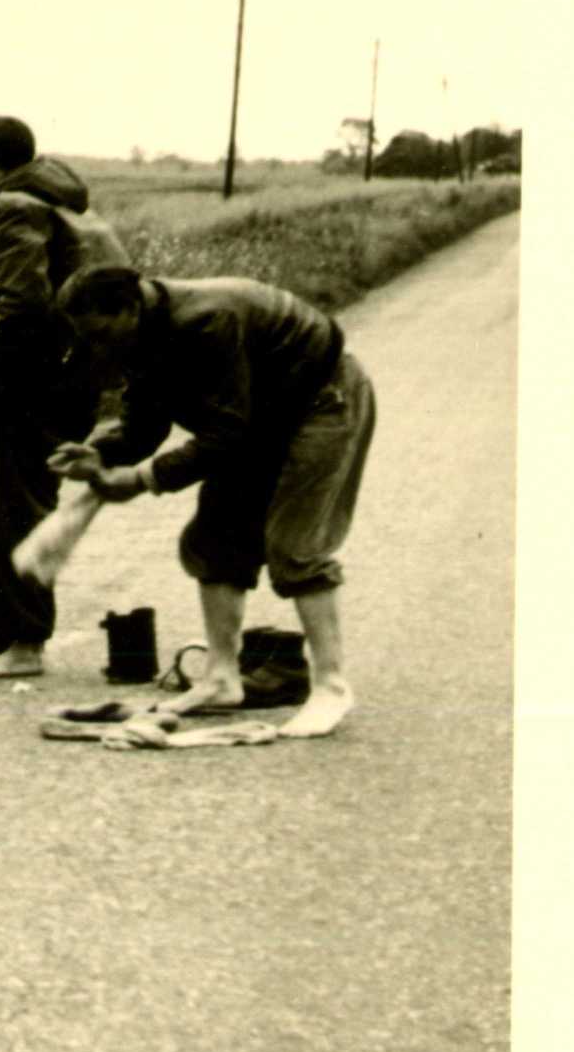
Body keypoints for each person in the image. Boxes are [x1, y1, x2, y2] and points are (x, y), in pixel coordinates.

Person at [47, 264, 376, 739]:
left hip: (323, 400)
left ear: (130, 308)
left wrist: (140, 480)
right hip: (261, 413)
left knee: (295, 544)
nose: (97, 348)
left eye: (100, 333)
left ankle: (331, 685)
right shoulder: (135, 335)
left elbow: (225, 432)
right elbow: (144, 428)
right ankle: (222, 679)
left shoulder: (205, 321)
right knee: (215, 536)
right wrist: (99, 453)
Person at [0, 115, 132, 678]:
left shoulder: (11, 207)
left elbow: (21, 303)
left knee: (15, 507)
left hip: (30, 384)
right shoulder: (52, 201)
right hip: (62, 379)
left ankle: (25, 642)